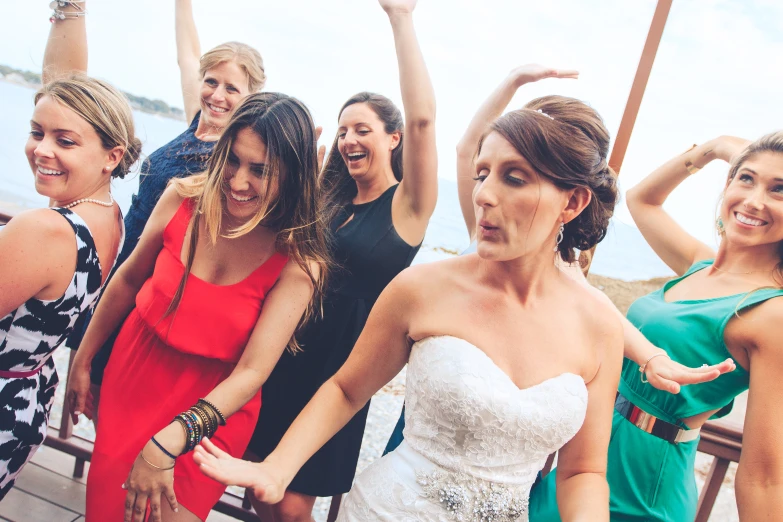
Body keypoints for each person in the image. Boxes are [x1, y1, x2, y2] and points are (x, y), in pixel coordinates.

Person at [195, 83, 632, 521]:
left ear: (572, 202)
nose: (483, 194)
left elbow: (583, 473)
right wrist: (278, 467)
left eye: (513, 178)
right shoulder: (421, 288)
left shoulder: (601, 327)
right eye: (482, 174)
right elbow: (346, 390)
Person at [383, 65, 734, 456]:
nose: (487, 190)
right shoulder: (486, 224)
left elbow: (602, 312)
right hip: (432, 422)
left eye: (519, 173)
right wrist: (513, 81)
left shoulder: (559, 273)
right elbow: (468, 147)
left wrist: (650, 357)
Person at [66, 92, 330, 522]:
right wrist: (84, 356)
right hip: (134, 375)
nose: (238, 181)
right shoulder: (181, 198)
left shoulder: (298, 262)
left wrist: (172, 438)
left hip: (215, 411)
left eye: (260, 171)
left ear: (295, 175)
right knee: (110, 512)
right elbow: (129, 279)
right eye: (233, 160)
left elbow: (253, 372)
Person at [243, 1, 438, 520]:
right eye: (343, 130)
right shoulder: (326, 198)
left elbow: (422, 119)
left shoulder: (408, 207)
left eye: (363, 129)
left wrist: (401, 19)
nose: (349, 138)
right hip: (282, 350)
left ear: (393, 139)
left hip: (342, 367)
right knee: (257, 487)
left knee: (290, 506)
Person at [529, 133, 783, 521]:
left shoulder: (770, 313)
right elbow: (641, 199)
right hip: (586, 452)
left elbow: (765, 476)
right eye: (746, 178)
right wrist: (711, 150)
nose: (754, 200)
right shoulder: (699, 264)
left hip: (642, 487)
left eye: (779, 190)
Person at [43, 0, 270, 414]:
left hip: (147, 275)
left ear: (251, 98)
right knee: (81, 376)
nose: (217, 95)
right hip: (115, 261)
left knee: (106, 393)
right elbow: (186, 56)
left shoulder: (226, 157)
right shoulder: (194, 121)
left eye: (232, 88)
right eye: (211, 81)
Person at [0, 70, 137, 499]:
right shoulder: (110, 217)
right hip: (25, 402)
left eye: (65, 141)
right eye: (36, 132)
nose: (41, 149)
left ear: (111, 156)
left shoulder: (43, 228)